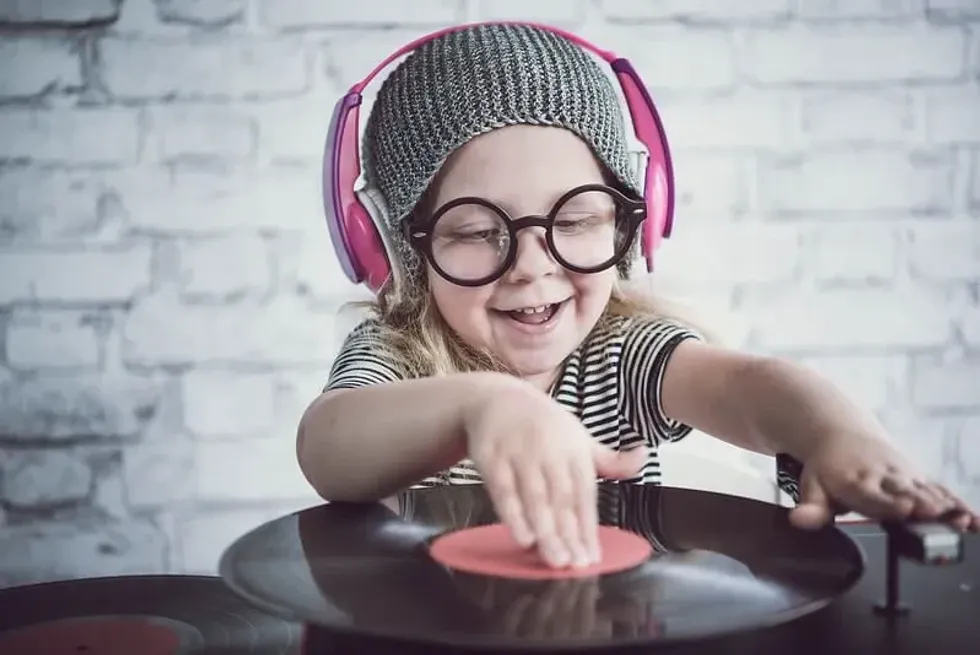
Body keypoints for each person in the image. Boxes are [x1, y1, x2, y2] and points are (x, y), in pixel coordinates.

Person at [297, 22, 978, 570]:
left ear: (632, 223)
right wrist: (482, 406)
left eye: (575, 220)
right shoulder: (400, 358)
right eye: (477, 229)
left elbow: (752, 385)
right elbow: (326, 445)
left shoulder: (621, 351)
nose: (533, 267)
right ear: (398, 249)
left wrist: (837, 433)